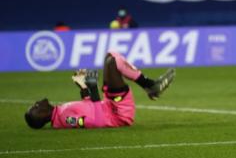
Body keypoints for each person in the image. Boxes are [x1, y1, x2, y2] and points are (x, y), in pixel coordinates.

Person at [24, 51, 175, 129]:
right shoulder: (64, 118)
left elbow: (88, 107)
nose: (37, 103)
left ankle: (150, 86)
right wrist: (92, 86)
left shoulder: (60, 112)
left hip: (109, 105)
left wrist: (83, 87)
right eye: (36, 108)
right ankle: (150, 86)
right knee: (112, 61)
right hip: (118, 114)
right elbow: (95, 121)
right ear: (41, 116)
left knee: (111, 56)